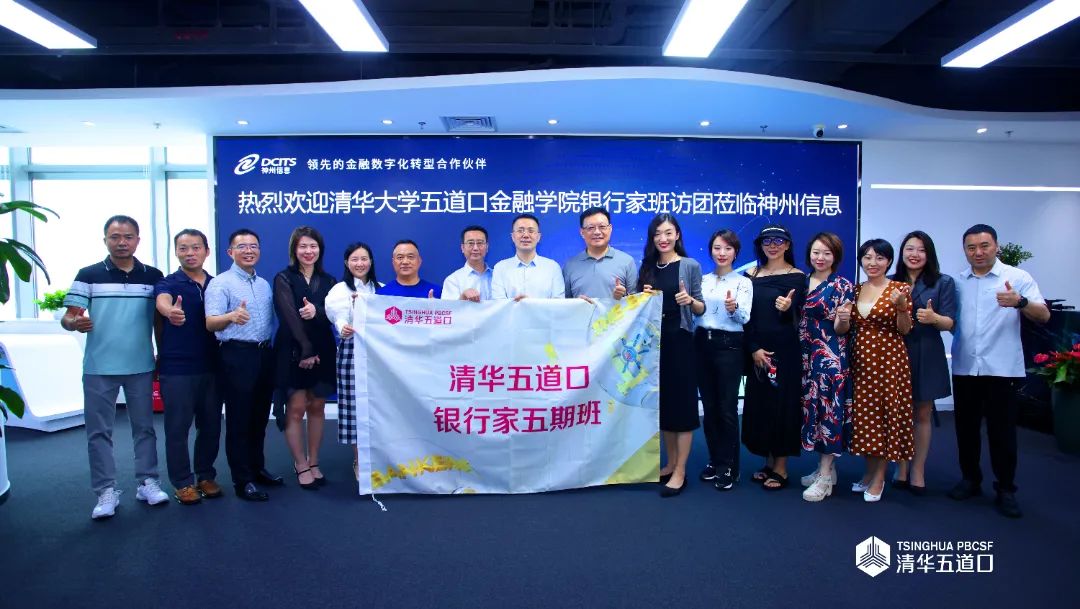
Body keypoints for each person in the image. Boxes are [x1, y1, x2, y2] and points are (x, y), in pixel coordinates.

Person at [62, 215, 167, 519]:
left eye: (128, 237)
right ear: (105, 240)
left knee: (144, 428)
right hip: (98, 367)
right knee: (99, 432)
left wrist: (162, 355)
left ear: (138, 240)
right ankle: (105, 491)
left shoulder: (152, 276)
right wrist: (74, 323)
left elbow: (159, 320)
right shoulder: (88, 275)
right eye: (115, 237)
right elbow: (69, 317)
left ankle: (147, 481)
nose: (122, 242)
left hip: (140, 365)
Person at [949, 224, 1049, 518]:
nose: (978, 252)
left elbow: (1043, 315)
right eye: (971, 247)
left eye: (984, 246)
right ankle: (970, 479)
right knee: (965, 429)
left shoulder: (1017, 278)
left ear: (996, 246)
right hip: (966, 365)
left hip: (1002, 368)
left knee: (1002, 432)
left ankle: (1005, 488)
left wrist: (1020, 302)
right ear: (965, 250)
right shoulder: (958, 282)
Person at [205, 228, 282, 502]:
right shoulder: (221, 283)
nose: (249, 251)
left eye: (253, 246)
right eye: (242, 246)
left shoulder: (263, 284)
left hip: (264, 354)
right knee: (239, 419)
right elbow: (210, 323)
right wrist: (230, 316)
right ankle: (243, 480)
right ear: (230, 252)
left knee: (259, 418)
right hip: (237, 355)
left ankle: (257, 468)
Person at [636, 213, 704, 497]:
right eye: (657, 234)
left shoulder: (689, 265)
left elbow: (701, 308)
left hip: (681, 340)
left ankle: (681, 471)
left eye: (668, 233)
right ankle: (670, 462)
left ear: (677, 235)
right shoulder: (648, 266)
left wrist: (690, 300)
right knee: (663, 404)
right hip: (654, 343)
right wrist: (637, 295)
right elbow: (636, 305)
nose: (662, 239)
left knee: (683, 406)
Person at [153, 228, 223, 505]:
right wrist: (170, 311)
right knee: (177, 428)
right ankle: (182, 482)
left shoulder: (217, 284)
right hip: (177, 368)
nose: (190, 253)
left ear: (207, 251)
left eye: (196, 247)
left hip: (213, 366)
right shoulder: (168, 283)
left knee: (211, 425)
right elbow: (162, 302)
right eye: (183, 248)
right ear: (176, 252)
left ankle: (205, 475)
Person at [890, 230, 957, 495]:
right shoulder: (891, 282)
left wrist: (934, 318)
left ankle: (918, 469)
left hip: (927, 350)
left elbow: (950, 322)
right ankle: (901, 467)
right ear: (902, 253)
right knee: (899, 413)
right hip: (896, 350)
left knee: (922, 412)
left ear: (929, 254)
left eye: (921, 250)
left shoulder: (943, 282)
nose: (914, 254)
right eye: (909, 249)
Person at [849, 238, 914, 503]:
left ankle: (879, 478)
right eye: (867, 257)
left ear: (889, 261)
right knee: (866, 418)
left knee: (887, 415)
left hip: (889, 361)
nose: (872, 263)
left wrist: (901, 307)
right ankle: (868, 473)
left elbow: (905, 329)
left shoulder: (900, 289)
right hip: (862, 361)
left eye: (879, 257)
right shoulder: (856, 289)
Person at [742, 224, 805, 491]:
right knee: (761, 406)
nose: (773, 245)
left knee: (783, 407)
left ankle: (781, 467)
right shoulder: (750, 275)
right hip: (757, 350)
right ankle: (768, 462)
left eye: (779, 241)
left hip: (785, 351)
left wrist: (788, 308)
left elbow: (798, 317)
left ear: (788, 245)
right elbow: (744, 316)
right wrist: (753, 348)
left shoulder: (798, 277)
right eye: (767, 241)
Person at [273, 227, 337, 490]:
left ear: (320, 249)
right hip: (294, 350)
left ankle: (314, 461)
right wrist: (306, 350)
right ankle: (300, 464)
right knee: (297, 407)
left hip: (324, 349)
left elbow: (333, 313)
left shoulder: (330, 280)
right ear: (294, 250)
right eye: (303, 246)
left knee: (318, 406)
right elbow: (288, 316)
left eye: (313, 246)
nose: (308, 251)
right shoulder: (283, 278)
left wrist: (317, 312)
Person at [798, 232, 854, 502]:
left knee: (829, 413)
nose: (820, 258)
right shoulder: (800, 280)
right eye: (816, 252)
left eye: (827, 253)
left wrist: (843, 319)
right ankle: (826, 471)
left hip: (830, 358)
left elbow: (843, 329)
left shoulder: (843, 286)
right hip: (805, 357)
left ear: (836, 256)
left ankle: (824, 476)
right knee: (814, 412)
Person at [695, 229, 752, 491]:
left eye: (728, 248)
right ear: (711, 250)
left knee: (727, 408)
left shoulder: (743, 283)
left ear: (736, 253)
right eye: (717, 248)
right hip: (701, 344)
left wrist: (734, 308)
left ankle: (730, 466)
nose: (722, 253)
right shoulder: (702, 281)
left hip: (729, 346)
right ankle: (715, 460)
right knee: (709, 408)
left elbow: (745, 318)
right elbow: (696, 314)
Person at [325, 242, 382, 480]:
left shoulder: (381, 289)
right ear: (347, 263)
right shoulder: (339, 290)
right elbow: (337, 317)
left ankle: (380, 458)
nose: (360, 264)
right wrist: (343, 327)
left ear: (371, 262)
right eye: (355, 259)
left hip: (379, 354)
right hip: (351, 350)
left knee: (380, 405)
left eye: (364, 259)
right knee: (354, 405)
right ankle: (360, 460)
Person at [562, 206, 637, 299]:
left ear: (610, 229)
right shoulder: (570, 266)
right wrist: (578, 303)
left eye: (602, 227)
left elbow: (637, 301)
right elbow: (565, 303)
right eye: (591, 228)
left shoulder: (627, 261)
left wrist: (622, 297)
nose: (597, 232)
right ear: (582, 232)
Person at [491, 214, 566, 300]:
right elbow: (498, 303)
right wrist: (516, 303)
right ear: (513, 237)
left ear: (538, 237)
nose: (526, 235)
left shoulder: (552, 267)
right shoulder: (500, 268)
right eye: (520, 231)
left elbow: (558, 303)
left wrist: (529, 304)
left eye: (531, 231)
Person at [442, 225, 492, 301]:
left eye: (480, 243)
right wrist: (462, 297)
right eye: (470, 243)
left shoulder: (497, 276)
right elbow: (449, 308)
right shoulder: (453, 280)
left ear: (487, 247)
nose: (475, 248)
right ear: (462, 248)